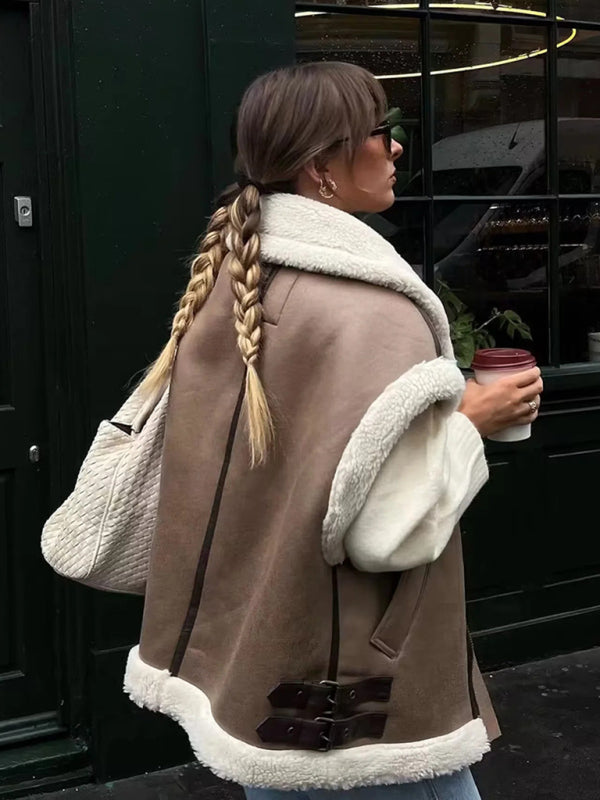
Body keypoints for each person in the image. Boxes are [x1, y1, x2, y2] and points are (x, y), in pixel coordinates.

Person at [123, 62, 543, 800]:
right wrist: (472, 420)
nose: (398, 147)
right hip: (349, 680)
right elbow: (384, 531)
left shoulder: (231, 280)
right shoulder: (374, 312)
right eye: (381, 132)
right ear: (321, 167)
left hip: (253, 649)